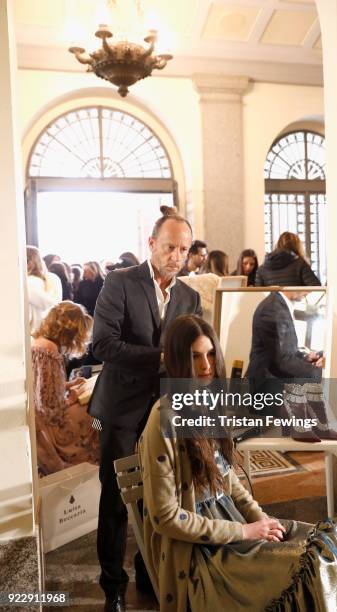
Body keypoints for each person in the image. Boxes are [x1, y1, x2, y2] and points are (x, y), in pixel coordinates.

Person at [138, 314, 337, 612]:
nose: (206, 366)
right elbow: (165, 517)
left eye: (211, 354)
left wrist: (262, 521)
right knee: (317, 563)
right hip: (201, 558)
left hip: (235, 532)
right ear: (176, 361)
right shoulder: (161, 422)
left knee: (336, 538)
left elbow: (229, 484)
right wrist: (246, 532)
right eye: (195, 357)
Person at [89, 210, 202, 612]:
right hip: (120, 407)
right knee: (117, 500)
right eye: (170, 246)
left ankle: (148, 572)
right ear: (151, 244)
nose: (177, 255)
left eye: (184, 249)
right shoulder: (120, 283)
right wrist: (160, 357)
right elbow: (102, 344)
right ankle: (112, 588)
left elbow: (192, 355)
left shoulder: (190, 297)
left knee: (158, 496)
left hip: (164, 411)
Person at [247, 289, 337, 441]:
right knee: (314, 378)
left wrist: (306, 357)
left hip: (273, 377)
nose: (309, 291)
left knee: (312, 378)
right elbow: (282, 361)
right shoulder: (273, 309)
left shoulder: (278, 305)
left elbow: (284, 351)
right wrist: (319, 372)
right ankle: (312, 427)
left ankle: (317, 426)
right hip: (267, 384)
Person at [31, 301, 99, 475]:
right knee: (97, 413)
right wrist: (73, 396)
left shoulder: (39, 344)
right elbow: (49, 409)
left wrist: (68, 385)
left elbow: (43, 388)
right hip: (53, 428)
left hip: (45, 421)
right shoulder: (49, 351)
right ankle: (97, 465)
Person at [255, 231, 321, 287]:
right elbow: (317, 289)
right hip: (296, 301)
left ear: (278, 244)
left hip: (272, 302)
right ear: (297, 246)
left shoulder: (262, 269)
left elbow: (258, 296)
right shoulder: (300, 264)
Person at [26, 245, 62, 333]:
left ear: (29, 262)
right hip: (51, 328)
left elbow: (48, 303)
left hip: (33, 331)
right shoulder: (53, 278)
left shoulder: (29, 281)